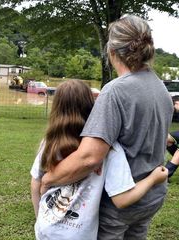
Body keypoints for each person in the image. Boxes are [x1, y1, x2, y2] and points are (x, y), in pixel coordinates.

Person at [39, 15, 173, 240]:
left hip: (121, 203)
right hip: (151, 197)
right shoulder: (160, 88)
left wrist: (49, 178)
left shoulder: (115, 91)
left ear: (112, 51)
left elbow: (89, 158)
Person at [30, 80, 168, 240]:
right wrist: (153, 178)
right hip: (80, 234)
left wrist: (40, 218)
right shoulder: (109, 148)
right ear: (92, 106)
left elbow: (35, 184)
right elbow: (122, 200)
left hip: (46, 228)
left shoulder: (49, 143)